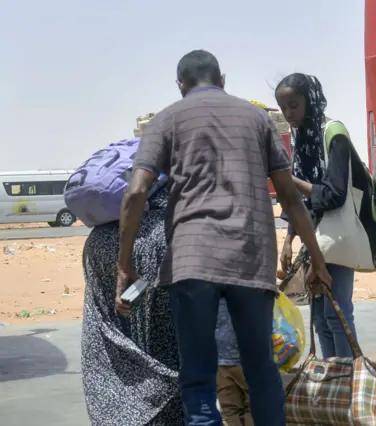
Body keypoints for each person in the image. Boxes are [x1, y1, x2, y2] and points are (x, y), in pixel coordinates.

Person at [116, 50, 331, 426]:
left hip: (191, 259)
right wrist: (318, 260)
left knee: (198, 376)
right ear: (223, 79)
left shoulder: (165, 120)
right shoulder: (257, 119)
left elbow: (135, 193)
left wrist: (124, 265)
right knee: (261, 367)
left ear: (180, 85)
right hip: (250, 257)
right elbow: (290, 196)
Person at [275, 73, 362, 358]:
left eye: (294, 106)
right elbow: (299, 201)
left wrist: (289, 180)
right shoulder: (302, 139)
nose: (289, 115)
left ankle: (346, 382)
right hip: (314, 239)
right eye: (283, 108)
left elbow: (333, 193)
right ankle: (330, 381)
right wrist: (289, 240)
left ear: (310, 101)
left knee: (337, 316)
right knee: (321, 318)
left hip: (335, 237)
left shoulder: (333, 133)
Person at [81, 187, 183, 425]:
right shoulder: (171, 231)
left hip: (106, 250)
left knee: (110, 324)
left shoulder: (97, 237)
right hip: (162, 249)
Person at [215, 299, 252, 426]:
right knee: (254, 406)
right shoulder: (246, 284)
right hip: (246, 356)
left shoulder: (207, 285)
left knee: (229, 410)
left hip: (219, 357)